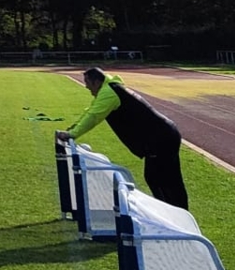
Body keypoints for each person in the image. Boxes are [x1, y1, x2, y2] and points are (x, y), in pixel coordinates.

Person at [59, 68, 189, 209]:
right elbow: (90, 112)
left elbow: (94, 117)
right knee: (158, 177)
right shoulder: (109, 89)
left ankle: (176, 214)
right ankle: (174, 212)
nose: (86, 86)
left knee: (162, 179)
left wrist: (72, 134)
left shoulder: (109, 93)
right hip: (162, 136)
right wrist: (73, 129)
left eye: (87, 82)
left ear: (96, 82)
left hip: (161, 138)